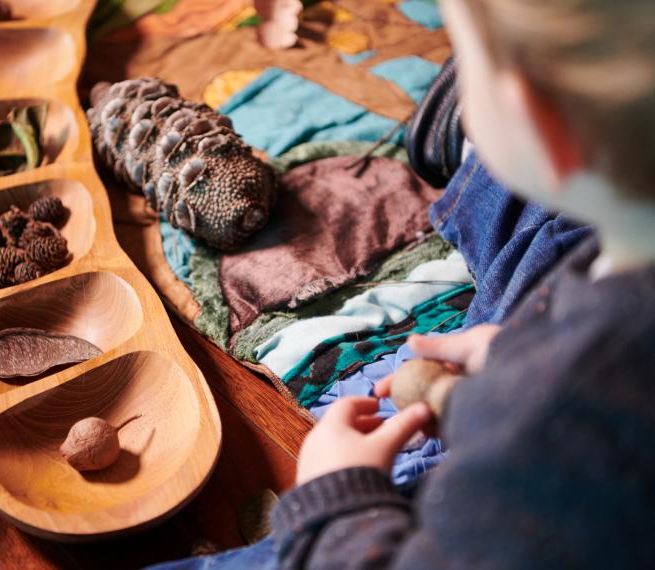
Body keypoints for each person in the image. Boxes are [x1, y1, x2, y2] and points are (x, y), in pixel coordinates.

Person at [269, 0, 655, 567]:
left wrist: (338, 499)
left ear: (539, 118)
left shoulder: (560, 423)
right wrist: (521, 352)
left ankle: (482, 161)